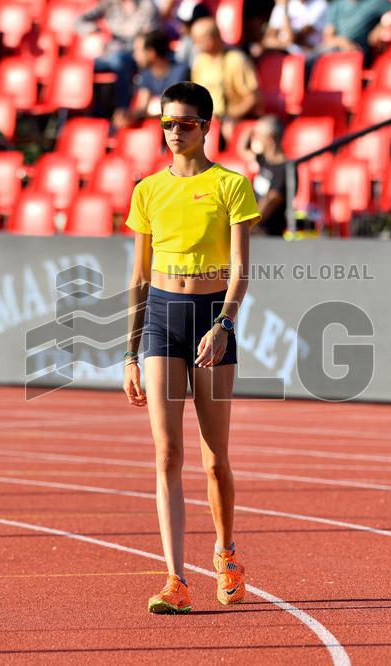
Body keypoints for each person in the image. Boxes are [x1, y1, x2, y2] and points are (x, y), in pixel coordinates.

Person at [122, 81, 261, 614]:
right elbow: (138, 277)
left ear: (205, 127)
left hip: (211, 318)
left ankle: (226, 554)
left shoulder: (231, 185)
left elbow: (242, 268)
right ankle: (175, 579)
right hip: (161, 318)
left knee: (213, 458)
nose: (174, 132)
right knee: (166, 453)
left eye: (184, 123)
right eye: (166, 123)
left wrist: (224, 323)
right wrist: (129, 354)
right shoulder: (147, 190)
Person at [77, 0, 159, 111]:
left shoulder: (147, 6)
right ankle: (89, 110)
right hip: (110, 53)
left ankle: (121, 108)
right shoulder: (110, 3)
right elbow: (80, 21)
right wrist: (95, 30)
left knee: (120, 61)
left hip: (135, 53)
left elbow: (150, 38)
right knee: (87, 66)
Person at [190, 17, 261, 140]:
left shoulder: (236, 60)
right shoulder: (200, 62)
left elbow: (253, 98)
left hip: (232, 121)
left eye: (197, 40)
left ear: (210, 40)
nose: (195, 45)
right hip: (208, 122)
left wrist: (231, 117)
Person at [114, 30, 190, 129]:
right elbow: (142, 107)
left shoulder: (181, 72)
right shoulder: (145, 74)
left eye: (138, 50)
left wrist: (148, 114)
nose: (134, 55)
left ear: (151, 53)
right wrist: (129, 116)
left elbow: (175, 111)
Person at [238, 115, 292, 236]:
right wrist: (251, 130)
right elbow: (243, 150)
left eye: (258, 136)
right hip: (254, 225)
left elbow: (271, 200)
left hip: (267, 232)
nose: (255, 140)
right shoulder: (263, 159)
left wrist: (249, 225)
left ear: (270, 138)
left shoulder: (285, 168)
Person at [261, 0, 329, 57]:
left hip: (309, 57)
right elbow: (267, 39)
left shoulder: (320, 4)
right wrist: (284, 44)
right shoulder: (282, 5)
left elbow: (293, 38)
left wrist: (285, 9)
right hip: (284, 53)